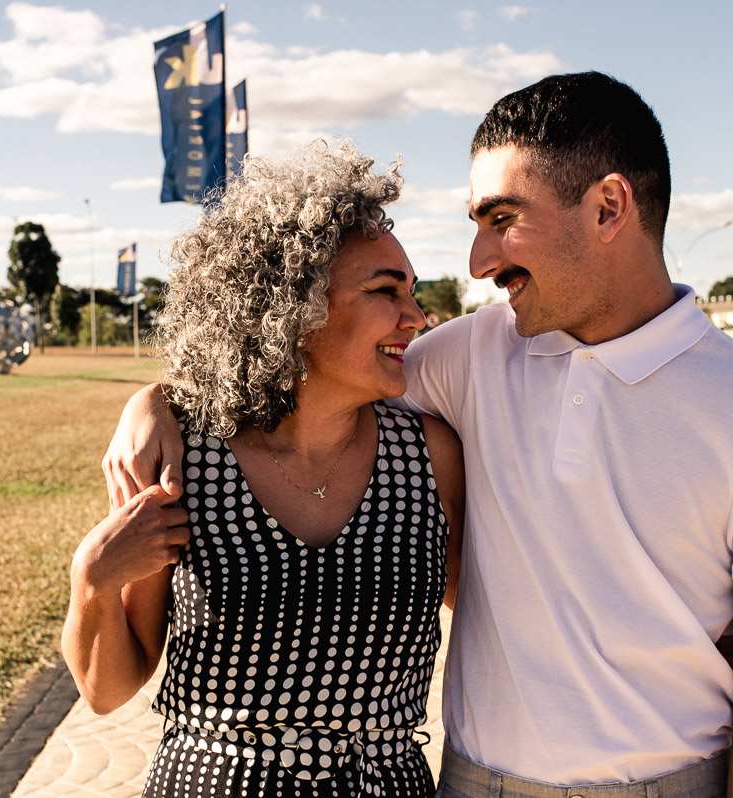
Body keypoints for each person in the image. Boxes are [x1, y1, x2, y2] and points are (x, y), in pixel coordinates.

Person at [104, 71, 733, 798]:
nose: (478, 261)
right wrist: (154, 401)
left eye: (502, 218)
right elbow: (302, 372)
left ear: (609, 206)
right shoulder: (468, 353)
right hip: (473, 783)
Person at [62, 141, 465, 798]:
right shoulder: (183, 459)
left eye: (413, 293)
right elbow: (107, 691)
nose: (416, 318)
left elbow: (491, 605)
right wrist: (92, 584)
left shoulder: (430, 455)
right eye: (386, 291)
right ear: (293, 308)